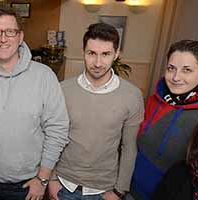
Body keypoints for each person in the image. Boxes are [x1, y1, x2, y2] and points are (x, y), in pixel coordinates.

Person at [0, 7, 70, 200]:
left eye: (10, 31)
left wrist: (42, 179)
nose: (3, 38)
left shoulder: (43, 77)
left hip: (27, 186)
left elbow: (58, 131)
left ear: (20, 36)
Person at [46, 23, 144, 200]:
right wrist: (51, 178)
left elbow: (129, 147)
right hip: (63, 184)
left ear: (116, 54)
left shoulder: (132, 95)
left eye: (105, 54)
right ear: (83, 51)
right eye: (92, 53)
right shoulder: (62, 90)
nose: (98, 63)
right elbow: (51, 136)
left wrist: (120, 190)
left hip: (104, 189)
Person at [130, 40, 198, 200]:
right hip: (132, 190)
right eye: (171, 68)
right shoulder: (154, 99)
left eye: (186, 70)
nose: (175, 77)